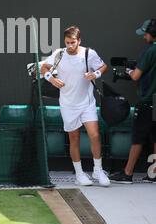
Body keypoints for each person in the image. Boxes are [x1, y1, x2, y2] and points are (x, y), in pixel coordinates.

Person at [41, 26, 110, 186]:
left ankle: (98, 170)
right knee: (74, 137)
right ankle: (79, 174)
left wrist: (95, 74)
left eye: (73, 42)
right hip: (68, 104)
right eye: (67, 42)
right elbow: (44, 67)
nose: (70, 46)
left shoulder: (88, 54)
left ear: (79, 41)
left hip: (87, 103)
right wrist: (51, 78)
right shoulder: (59, 54)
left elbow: (103, 66)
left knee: (94, 135)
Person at [109, 19, 156, 184]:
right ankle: (154, 173)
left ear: (152, 34)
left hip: (147, 101)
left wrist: (129, 71)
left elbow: (136, 76)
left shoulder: (149, 51)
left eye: (146, 33)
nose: (144, 37)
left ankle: (128, 173)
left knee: (138, 138)